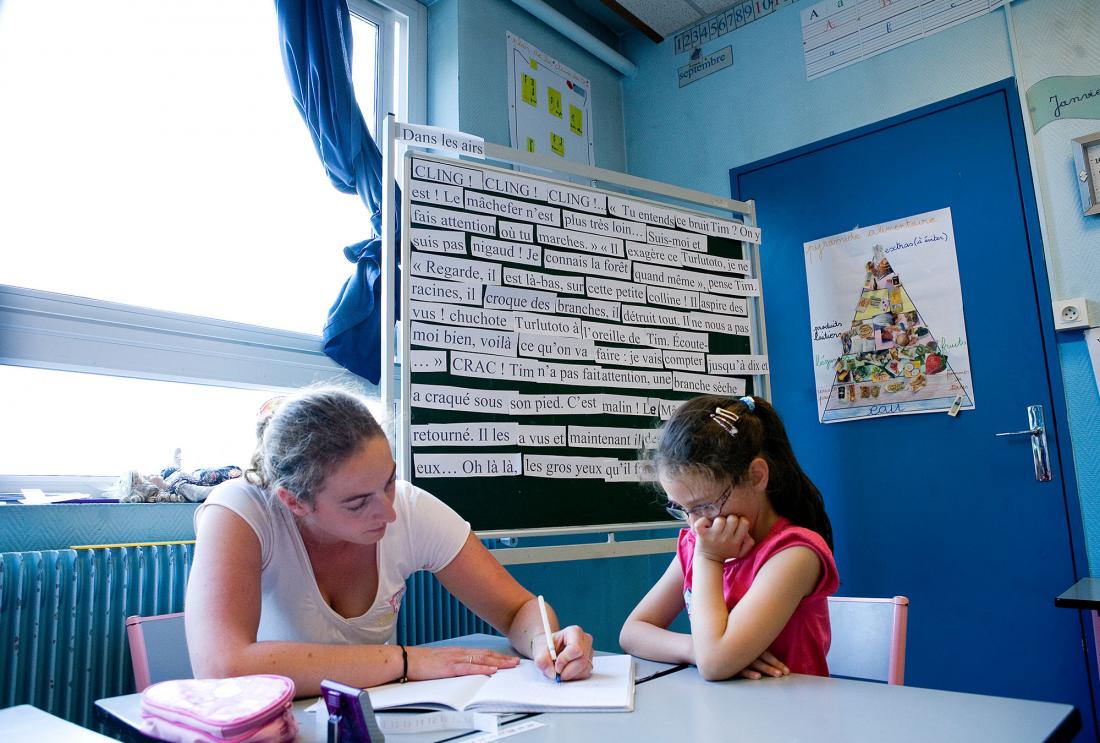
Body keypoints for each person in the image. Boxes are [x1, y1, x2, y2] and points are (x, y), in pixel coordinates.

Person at [185, 387, 593, 696]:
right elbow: (222, 666)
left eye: (388, 482)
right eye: (358, 503)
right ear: (295, 502)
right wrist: (406, 661)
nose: (388, 512)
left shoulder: (410, 506)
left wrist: (543, 639)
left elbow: (518, 608)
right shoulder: (240, 510)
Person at [619, 394, 838, 681]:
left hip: (794, 717)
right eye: (681, 509)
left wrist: (709, 559)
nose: (695, 525)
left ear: (757, 476)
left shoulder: (795, 554)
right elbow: (632, 632)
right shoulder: (698, 544)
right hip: (727, 715)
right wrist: (693, 649)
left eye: (705, 505)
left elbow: (715, 665)